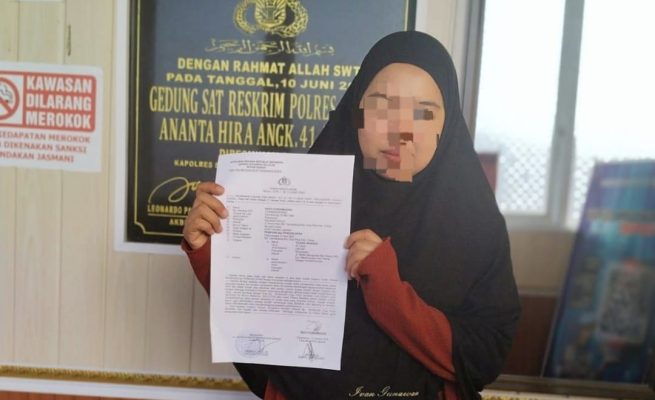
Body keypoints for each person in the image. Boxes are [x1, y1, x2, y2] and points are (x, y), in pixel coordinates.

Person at [182, 31, 520, 400]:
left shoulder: (475, 225)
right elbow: (261, 334)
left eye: (423, 112)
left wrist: (388, 291)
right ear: (354, 112)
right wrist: (210, 253)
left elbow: (483, 357)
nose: (400, 131)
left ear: (447, 124)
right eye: (381, 105)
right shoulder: (299, 201)